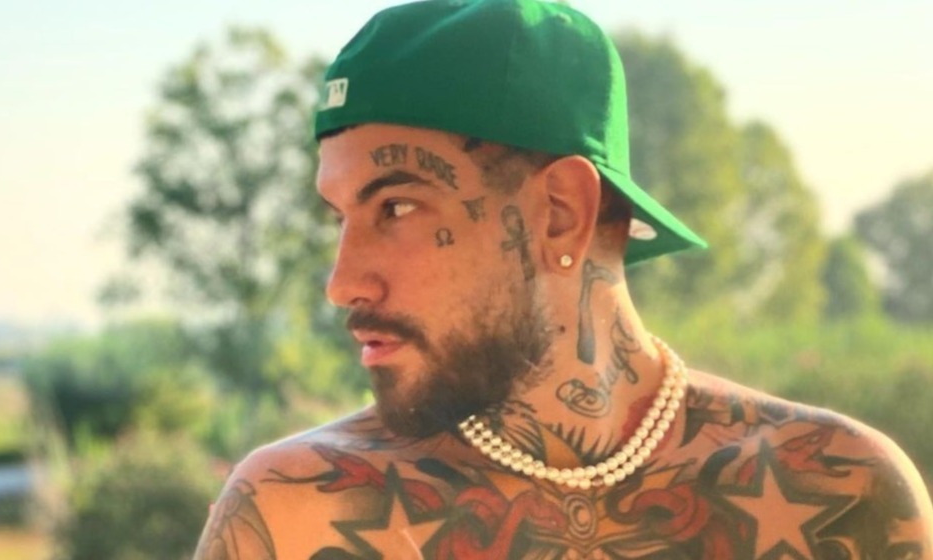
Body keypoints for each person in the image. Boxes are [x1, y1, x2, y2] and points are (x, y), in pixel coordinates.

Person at [193, 1, 933, 558]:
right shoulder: (293, 512)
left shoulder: (839, 494)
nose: (343, 282)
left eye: (398, 207)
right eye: (340, 216)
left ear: (559, 213)